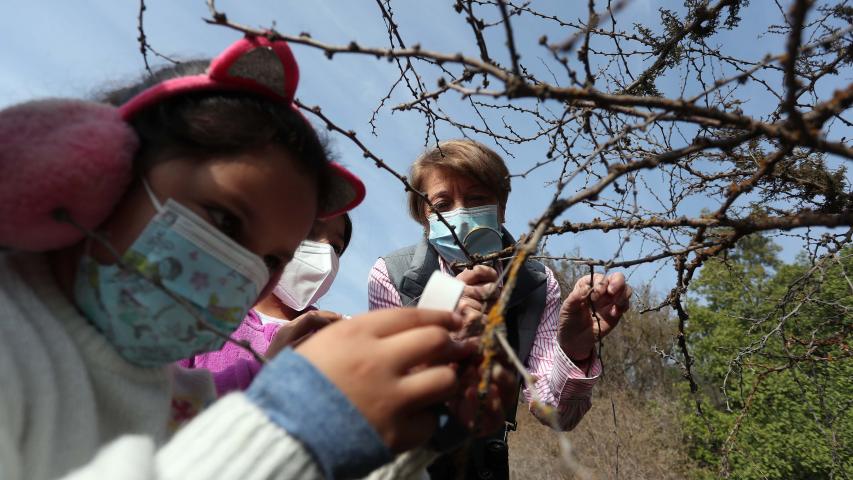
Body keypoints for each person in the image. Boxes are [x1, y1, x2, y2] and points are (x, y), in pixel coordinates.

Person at [0, 36, 491, 480]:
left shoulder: (176, 395)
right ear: (100, 175)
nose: (240, 273)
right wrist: (297, 422)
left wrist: (417, 431)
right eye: (225, 220)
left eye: (273, 258)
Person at [368, 139, 633, 479]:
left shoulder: (537, 284)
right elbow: (386, 398)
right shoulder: (391, 274)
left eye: (477, 199)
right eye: (442, 204)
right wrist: (442, 324)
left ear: (501, 206)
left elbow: (557, 413)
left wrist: (575, 350)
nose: (459, 213)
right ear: (425, 217)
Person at [180, 213, 353, 395]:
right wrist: (261, 370)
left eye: (335, 247)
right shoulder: (201, 312)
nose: (326, 255)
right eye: (310, 232)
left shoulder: (329, 339)